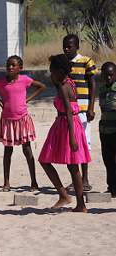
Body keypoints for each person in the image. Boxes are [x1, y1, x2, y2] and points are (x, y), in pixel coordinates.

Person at [0, 55, 46, 192]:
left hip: (22, 119)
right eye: (8, 65)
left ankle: (34, 182)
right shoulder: (1, 82)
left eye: (13, 65)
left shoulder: (25, 80)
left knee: (27, 150)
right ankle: (6, 183)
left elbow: (42, 87)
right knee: (8, 151)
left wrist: (28, 99)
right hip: (7, 121)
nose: (10, 67)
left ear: (20, 68)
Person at [39, 54, 91, 213]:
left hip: (67, 125)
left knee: (46, 160)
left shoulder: (63, 86)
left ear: (60, 71)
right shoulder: (68, 82)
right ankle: (77, 202)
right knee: (72, 166)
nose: (50, 74)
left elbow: (68, 111)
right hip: (67, 124)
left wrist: (73, 137)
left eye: (52, 71)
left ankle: (65, 195)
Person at [63, 34, 98, 191]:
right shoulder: (63, 63)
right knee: (73, 144)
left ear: (77, 46)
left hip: (83, 110)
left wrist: (91, 107)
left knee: (84, 143)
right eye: (64, 46)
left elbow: (93, 85)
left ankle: (85, 179)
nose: (66, 49)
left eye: (69, 46)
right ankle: (76, 179)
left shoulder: (85, 61)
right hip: (69, 111)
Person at [99, 62, 116, 198]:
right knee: (107, 160)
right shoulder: (102, 89)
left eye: (111, 75)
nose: (108, 78)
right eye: (105, 76)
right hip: (104, 130)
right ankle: (111, 187)